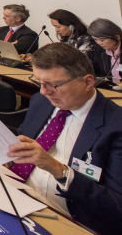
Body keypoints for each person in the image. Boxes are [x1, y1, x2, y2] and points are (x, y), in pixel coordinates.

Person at [7, 43, 122, 235]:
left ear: (87, 82)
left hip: (71, 220)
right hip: (18, 198)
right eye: (39, 82)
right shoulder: (41, 102)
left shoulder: (115, 126)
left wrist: (57, 169)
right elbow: (21, 145)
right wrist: (9, 160)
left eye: (53, 85)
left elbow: (116, 208)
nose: (44, 91)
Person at [88, 18, 121, 85]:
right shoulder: (100, 49)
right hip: (112, 89)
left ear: (117, 37)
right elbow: (96, 70)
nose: (99, 43)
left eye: (102, 40)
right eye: (95, 39)